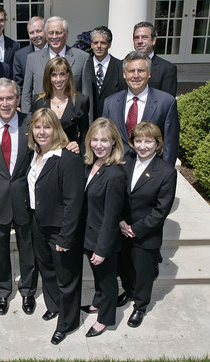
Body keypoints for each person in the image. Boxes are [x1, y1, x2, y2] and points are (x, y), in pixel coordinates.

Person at [27, 108, 84, 345]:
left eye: (47, 126)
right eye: (38, 127)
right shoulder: (35, 154)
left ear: (56, 129)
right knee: (47, 269)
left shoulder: (67, 159)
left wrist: (65, 237)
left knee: (66, 277)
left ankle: (68, 322)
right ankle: (54, 306)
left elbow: (74, 202)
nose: (42, 131)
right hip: (38, 223)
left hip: (60, 228)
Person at [0, 78, 38, 316]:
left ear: (17, 100)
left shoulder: (32, 123)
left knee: (28, 248)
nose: (5, 103)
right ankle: (2, 291)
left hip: (25, 197)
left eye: (10, 98)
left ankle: (27, 291)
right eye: (0, 99)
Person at [117, 121, 177, 328]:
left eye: (148, 141)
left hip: (145, 233)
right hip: (123, 228)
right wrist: (121, 222)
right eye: (138, 141)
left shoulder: (166, 172)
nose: (143, 146)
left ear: (157, 143)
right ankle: (129, 291)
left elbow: (161, 209)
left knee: (143, 272)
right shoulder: (125, 161)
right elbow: (118, 195)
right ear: (132, 143)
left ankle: (140, 306)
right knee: (125, 266)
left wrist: (137, 228)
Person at [81, 118, 127, 337]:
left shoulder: (115, 174)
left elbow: (111, 217)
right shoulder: (92, 164)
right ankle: (98, 303)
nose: (99, 145)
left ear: (114, 143)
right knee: (98, 277)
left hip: (103, 239)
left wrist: (101, 249)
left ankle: (105, 319)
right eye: (95, 140)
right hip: (89, 234)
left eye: (105, 141)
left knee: (107, 280)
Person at [103, 50, 180, 167]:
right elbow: (106, 139)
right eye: (131, 71)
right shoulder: (110, 102)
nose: (136, 76)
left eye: (141, 71)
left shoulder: (166, 102)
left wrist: (163, 175)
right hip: (117, 169)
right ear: (124, 74)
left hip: (150, 172)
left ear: (149, 73)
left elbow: (170, 144)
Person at [21, 16, 88, 112]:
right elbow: (26, 95)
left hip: (72, 120)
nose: (54, 36)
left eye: (58, 32)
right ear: (46, 35)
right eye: (51, 33)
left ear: (66, 34)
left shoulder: (82, 58)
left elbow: (87, 95)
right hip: (42, 120)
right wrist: (27, 121)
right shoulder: (32, 59)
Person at [31, 56, 89, 152]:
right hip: (45, 156)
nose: (58, 79)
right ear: (48, 77)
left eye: (62, 74)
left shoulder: (80, 101)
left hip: (70, 157)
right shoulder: (38, 101)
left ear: (68, 75)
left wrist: (78, 147)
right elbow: (33, 133)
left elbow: (84, 135)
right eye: (54, 75)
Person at [81, 26, 126, 121]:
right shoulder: (84, 66)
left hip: (112, 122)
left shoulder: (120, 66)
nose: (99, 46)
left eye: (103, 43)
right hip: (88, 123)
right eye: (95, 42)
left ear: (109, 45)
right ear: (91, 45)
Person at [133, 21, 177, 97]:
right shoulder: (122, 65)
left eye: (144, 37)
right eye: (136, 38)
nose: (140, 41)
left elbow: (167, 101)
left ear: (153, 40)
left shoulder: (167, 69)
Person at [13, 16, 47, 90]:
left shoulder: (55, 50)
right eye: (31, 33)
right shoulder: (20, 56)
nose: (35, 35)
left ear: (46, 31)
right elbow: (19, 85)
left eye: (39, 31)